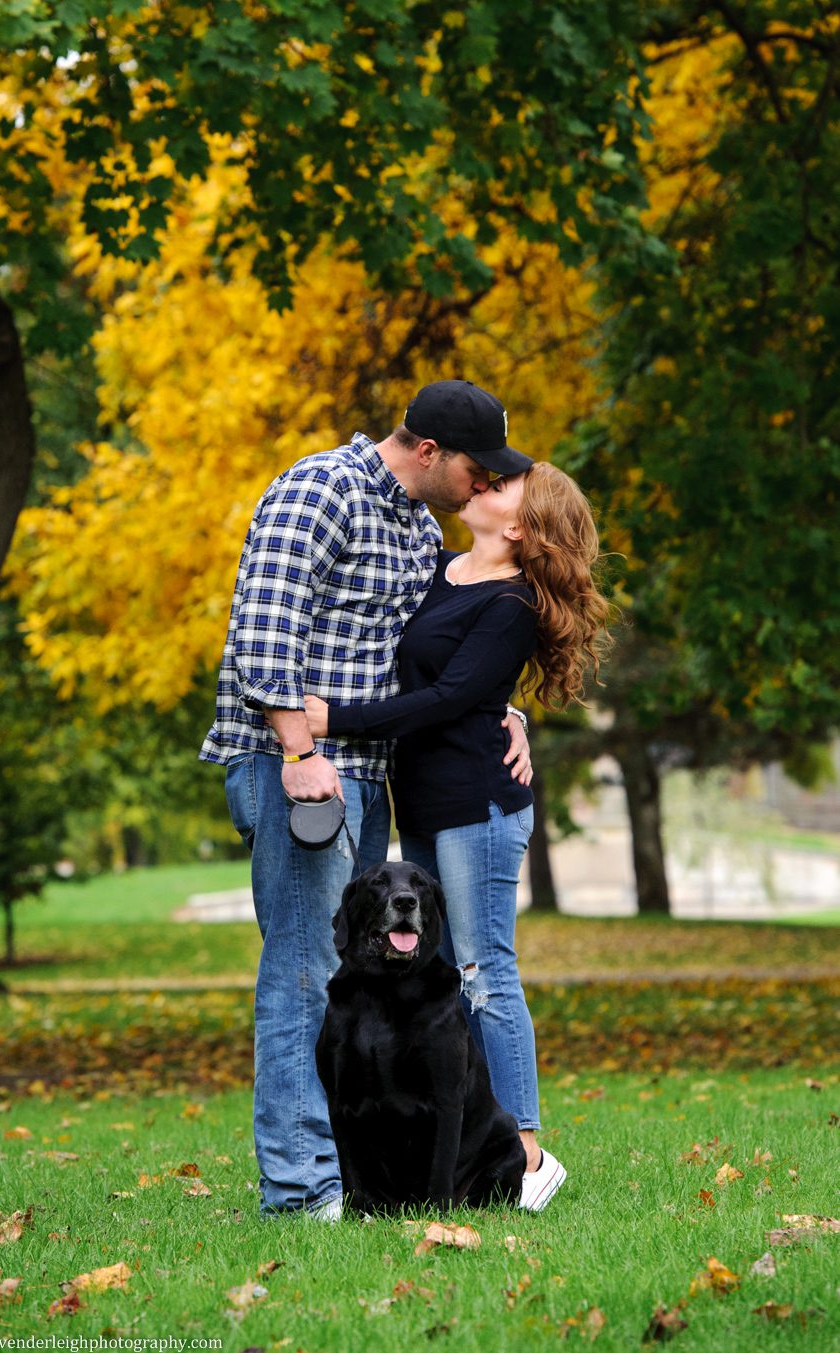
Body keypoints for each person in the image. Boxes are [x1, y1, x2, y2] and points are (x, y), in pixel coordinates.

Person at [199, 380, 534, 1217]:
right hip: (299, 768)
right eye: (476, 472)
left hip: (365, 769)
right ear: (430, 452)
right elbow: (262, 632)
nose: (482, 489)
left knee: (354, 972)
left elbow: (442, 647)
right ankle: (301, 1190)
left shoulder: (419, 528)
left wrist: (506, 704)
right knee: (306, 973)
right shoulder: (319, 489)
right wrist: (298, 748)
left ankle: (357, 1184)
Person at [305, 458, 610, 1211]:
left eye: (503, 485)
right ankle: (443, 1155)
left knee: (483, 972)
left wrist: (333, 720)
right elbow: (461, 686)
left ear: (520, 525)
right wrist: (512, 711)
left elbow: (448, 696)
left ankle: (528, 1152)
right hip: (427, 803)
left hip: (479, 804)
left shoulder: (510, 605)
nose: (483, 481)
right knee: (433, 971)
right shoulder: (444, 572)